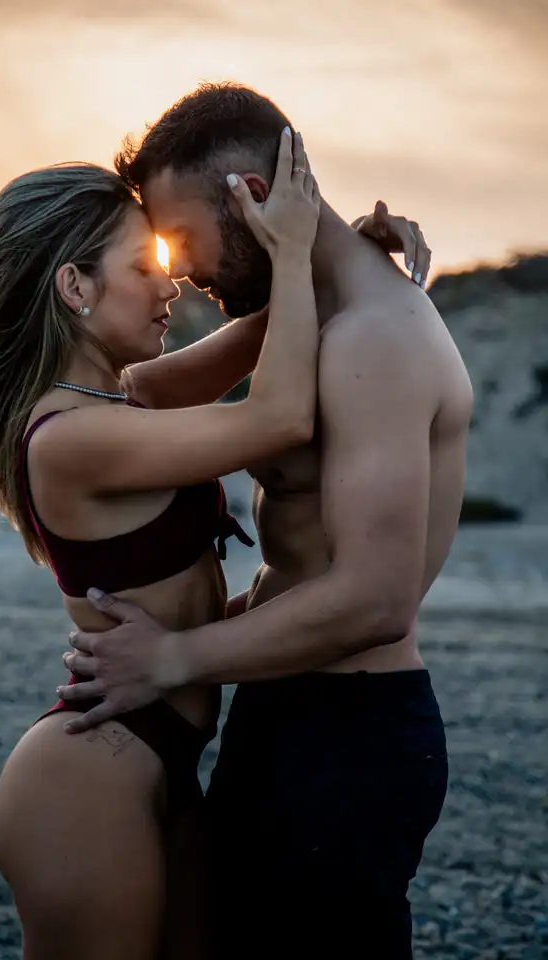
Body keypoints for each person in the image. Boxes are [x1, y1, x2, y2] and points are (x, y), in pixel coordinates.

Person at [60, 83, 473, 960]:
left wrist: (169, 657)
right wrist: (312, 267)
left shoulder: (374, 341)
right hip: (291, 710)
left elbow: (374, 601)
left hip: (350, 735)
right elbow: (134, 397)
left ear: (252, 195)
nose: (182, 271)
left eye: (186, 237)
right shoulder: (314, 320)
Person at [0, 135, 324, 960]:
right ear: (75, 287)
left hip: (162, 765)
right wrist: (297, 251)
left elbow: (270, 334)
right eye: (144, 266)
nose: (173, 284)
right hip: (86, 783)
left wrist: (341, 252)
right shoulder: (68, 439)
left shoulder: (125, 398)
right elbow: (280, 417)